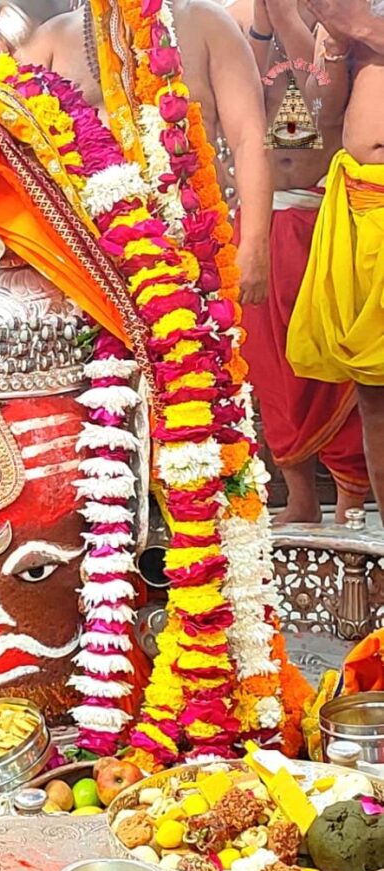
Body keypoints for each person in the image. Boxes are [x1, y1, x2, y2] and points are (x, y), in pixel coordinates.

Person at [4, 1, 272, 305]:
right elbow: (13, 145)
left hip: (190, 252)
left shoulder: (207, 22)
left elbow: (249, 137)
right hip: (87, 260)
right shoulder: (51, 39)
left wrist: (254, 242)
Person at [226, 0, 370, 522]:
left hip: (318, 216)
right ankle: (301, 497)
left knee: (327, 362)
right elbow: (256, 100)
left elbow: (320, 106)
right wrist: (265, 19)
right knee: (269, 364)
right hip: (260, 218)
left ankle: (350, 499)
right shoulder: (242, 18)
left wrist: (289, 16)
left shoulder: (345, 20)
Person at [286, 0, 384, 523]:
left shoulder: (363, 15)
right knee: (375, 398)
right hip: (358, 205)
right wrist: (334, 48)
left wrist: (364, 28)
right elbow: (308, 123)